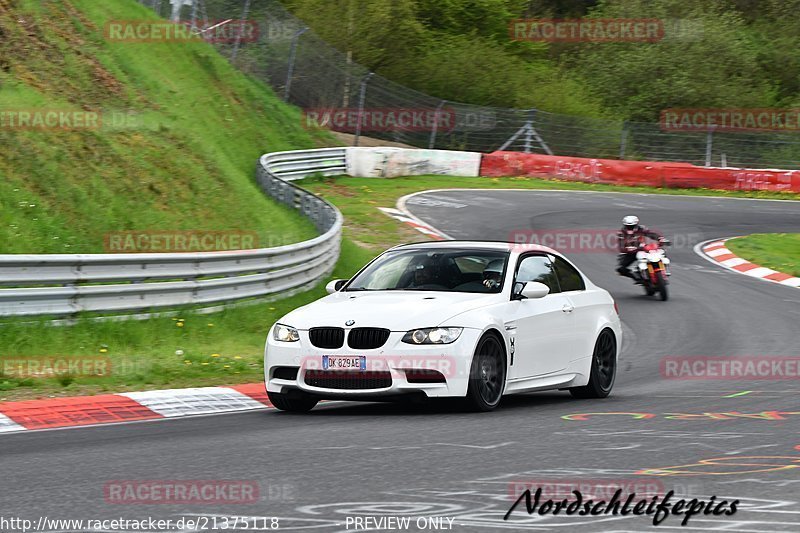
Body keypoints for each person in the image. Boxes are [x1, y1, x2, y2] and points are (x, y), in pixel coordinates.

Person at [616, 215, 666, 281]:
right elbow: (621, 245)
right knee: (620, 269)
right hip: (629, 252)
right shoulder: (621, 233)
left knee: (660, 252)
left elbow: (650, 233)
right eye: (628, 226)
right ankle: (635, 275)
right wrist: (627, 249)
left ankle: (662, 269)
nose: (630, 228)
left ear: (636, 224)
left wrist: (660, 238)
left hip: (642, 249)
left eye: (632, 226)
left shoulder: (641, 229)